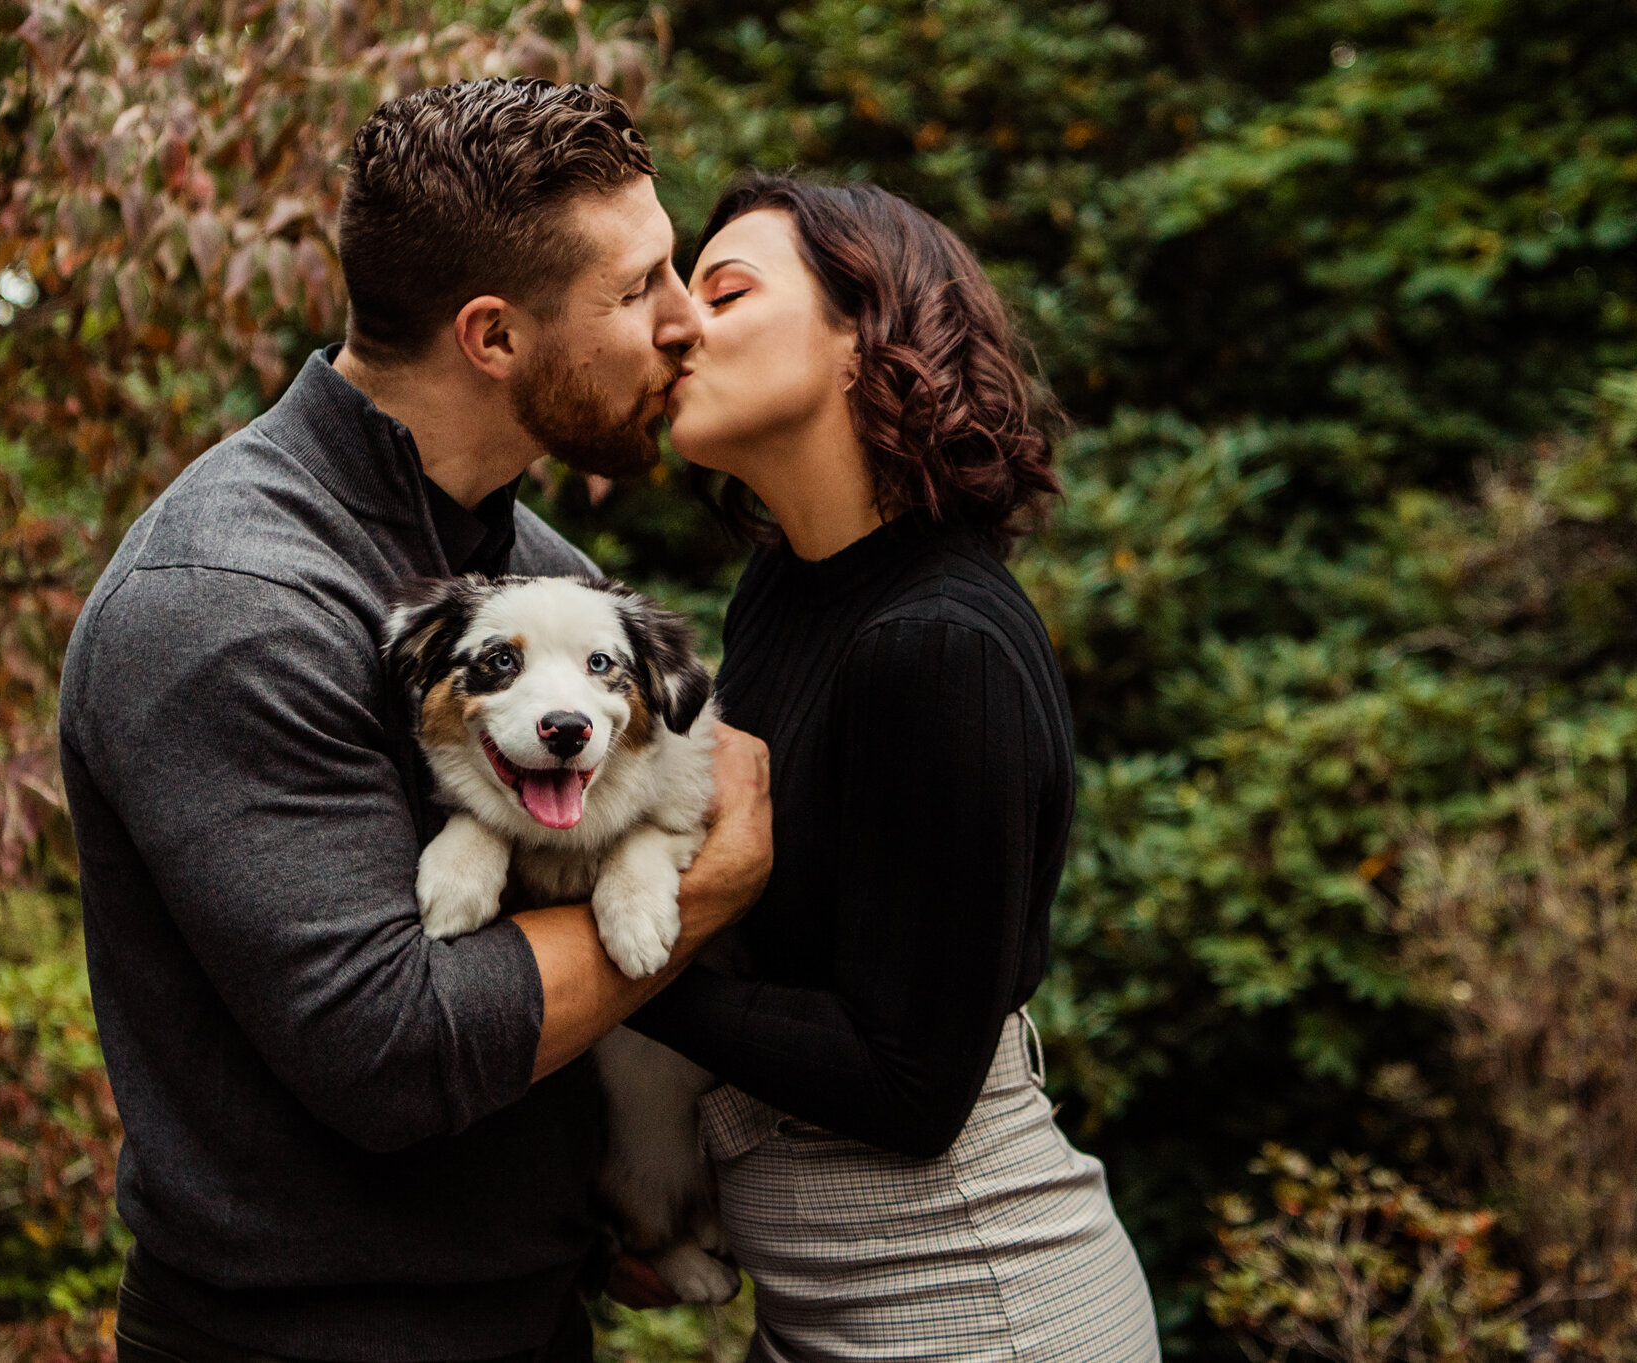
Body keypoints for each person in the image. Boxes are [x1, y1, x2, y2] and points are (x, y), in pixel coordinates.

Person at [56, 80, 773, 1363]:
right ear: (491, 336)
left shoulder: (523, 561)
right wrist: (710, 880)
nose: (683, 324)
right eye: (636, 289)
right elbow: (389, 1046)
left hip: (525, 1313)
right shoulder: (228, 599)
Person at [629, 175, 1163, 1360]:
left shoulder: (936, 646)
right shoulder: (784, 587)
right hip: (823, 1312)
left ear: (863, 341)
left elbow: (906, 1083)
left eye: (722, 289)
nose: (674, 325)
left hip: (976, 1311)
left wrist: (602, 959)